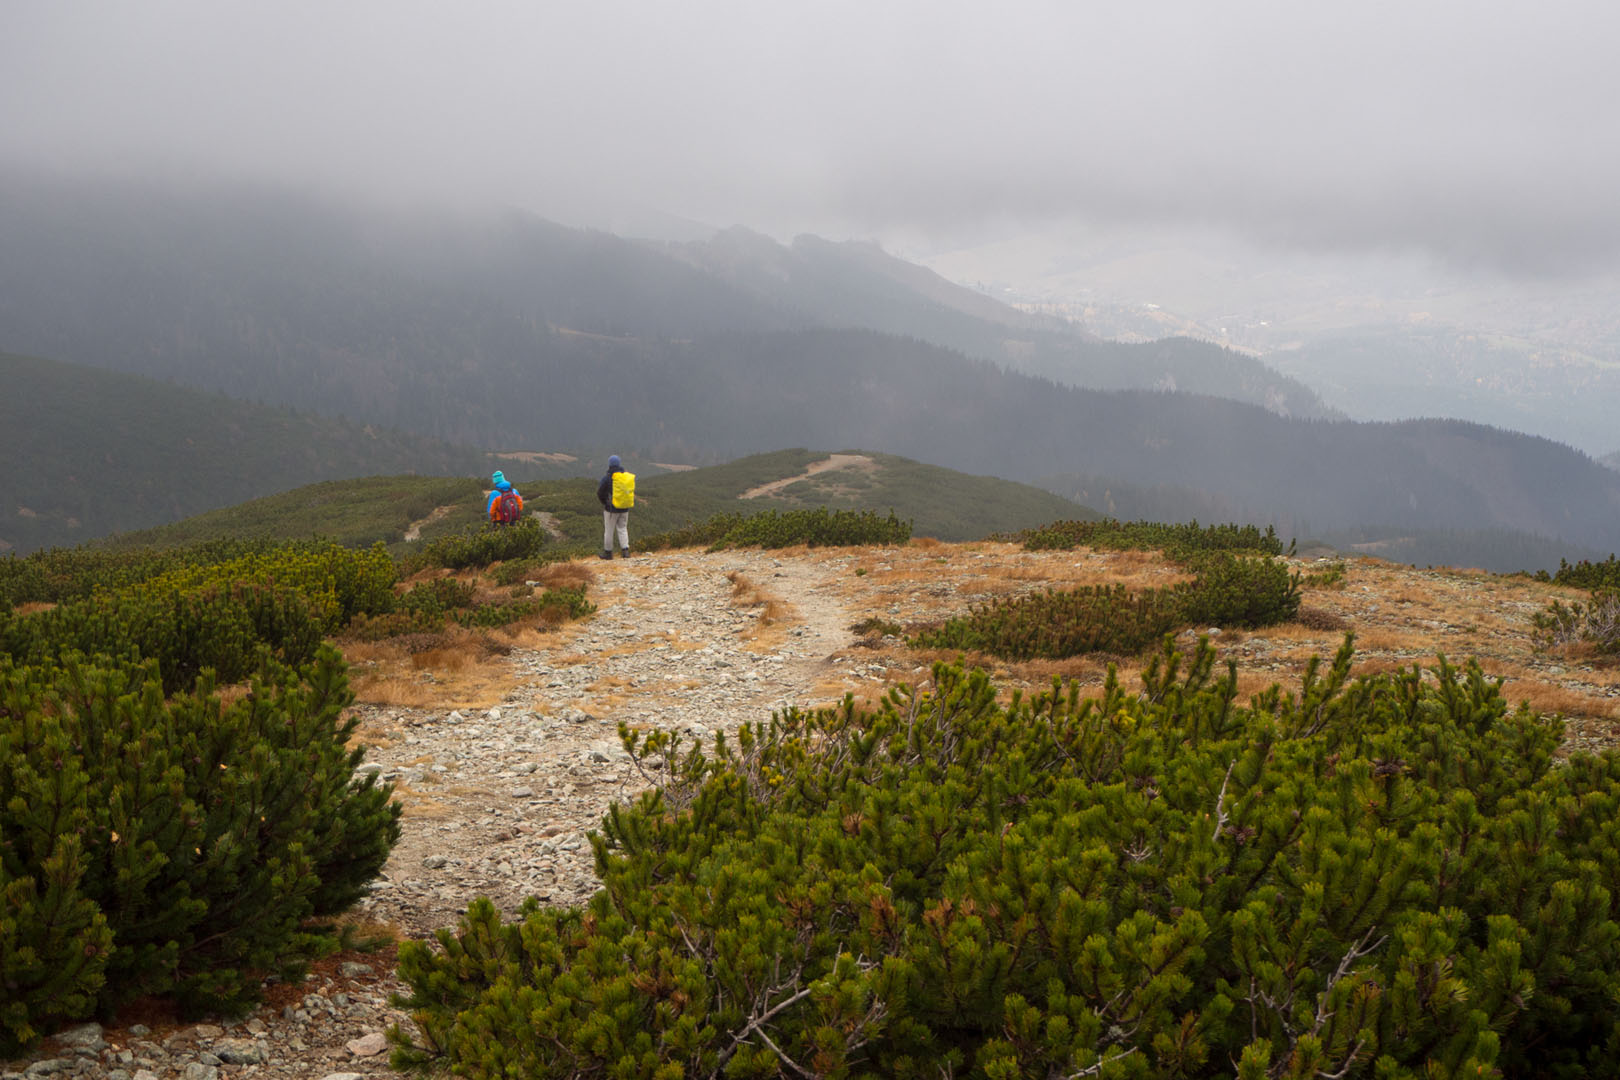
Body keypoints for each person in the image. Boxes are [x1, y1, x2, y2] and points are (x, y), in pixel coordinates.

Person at [596, 454, 634, 558]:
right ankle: (625, 551)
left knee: (609, 531)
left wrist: (605, 503)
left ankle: (608, 553)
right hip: (625, 508)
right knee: (622, 529)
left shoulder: (608, 477)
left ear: (609, 464)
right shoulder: (625, 477)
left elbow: (600, 492)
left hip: (611, 510)